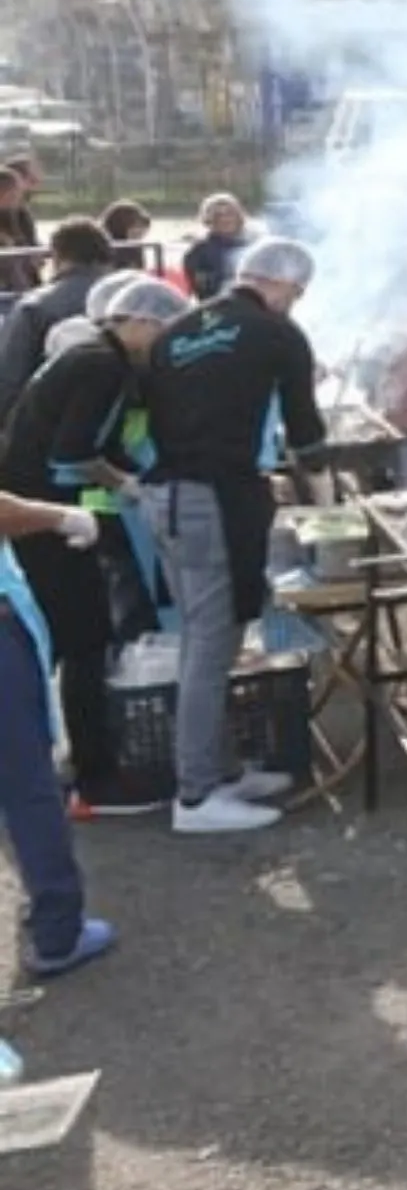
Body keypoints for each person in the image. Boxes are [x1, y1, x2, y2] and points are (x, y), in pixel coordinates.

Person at [142, 237, 322, 834]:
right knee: (211, 642)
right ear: (281, 285)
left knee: (203, 637)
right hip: (208, 501)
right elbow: (308, 436)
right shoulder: (277, 334)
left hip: (165, 494)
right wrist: (327, 498)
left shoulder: (177, 329)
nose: (294, 305)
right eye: (296, 293)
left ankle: (216, 770)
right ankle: (194, 797)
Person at [5, 275, 176, 816]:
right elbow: (72, 454)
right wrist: (127, 486)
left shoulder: (88, 355)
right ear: (142, 323)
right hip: (45, 513)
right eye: (167, 332)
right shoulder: (103, 367)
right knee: (83, 638)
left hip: (33, 505)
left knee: (54, 638)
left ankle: (37, 762)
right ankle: (94, 777)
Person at [0, 217, 114, 413]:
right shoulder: (136, 299)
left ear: (57, 256)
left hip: (54, 419)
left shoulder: (34, 307)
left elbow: (10, 379)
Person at [181, 194, 251, 300]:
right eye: (218, 215)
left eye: (230, 213)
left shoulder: (254, 245)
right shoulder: (199, 252)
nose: (225, 219)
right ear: (209, 219)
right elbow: (205, 292)